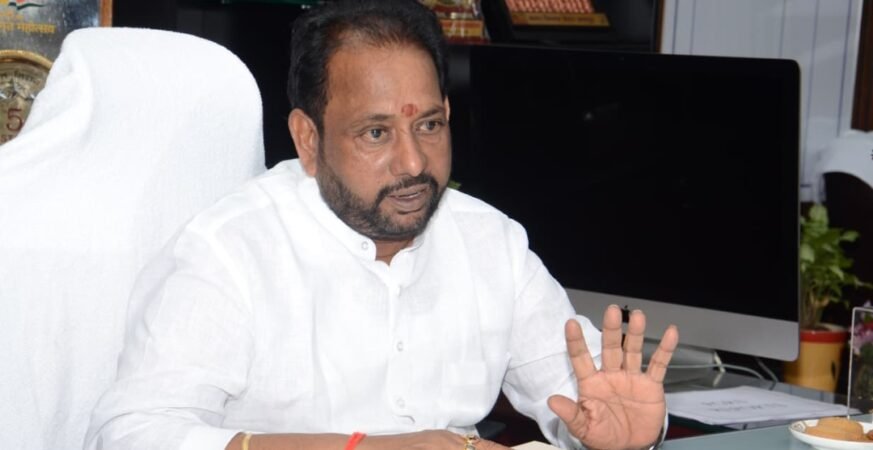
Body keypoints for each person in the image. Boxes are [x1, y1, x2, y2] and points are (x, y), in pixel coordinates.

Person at [86, 1, 678, 449]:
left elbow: (580, 392)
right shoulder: (229, 252)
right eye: (376, 133)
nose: (414, 163)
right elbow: (131, 435)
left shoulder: (491, 242)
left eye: (429, 125)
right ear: (308, 139)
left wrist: (625, 435)